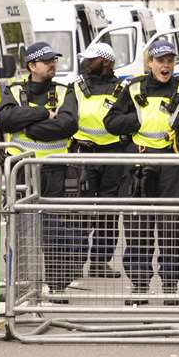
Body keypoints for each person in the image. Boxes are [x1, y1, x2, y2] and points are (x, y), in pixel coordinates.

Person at [104, 36, 179, 306]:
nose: (166, 66)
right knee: (138, 226)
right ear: (150, 62)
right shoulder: (133, 88)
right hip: (138, 165)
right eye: (160, 60)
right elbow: (111, 122)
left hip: (172, 165)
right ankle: (139, 285)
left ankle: (170, 284)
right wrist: (136, 120)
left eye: (170, 61)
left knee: (171, 227)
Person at [0, 42, 81, 301]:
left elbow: (68, 125)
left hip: (54, 170)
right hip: (21, 170)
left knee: (55, 229)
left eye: (54, 60)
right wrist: (44, 113)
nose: (53, 64)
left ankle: (56, 286)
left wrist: (31, 127)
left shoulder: (65, 90)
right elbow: (6, 119)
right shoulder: (13, 89)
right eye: (47, 61)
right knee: (19, 229)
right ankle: (20, 284)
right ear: (32, 66)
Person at [70, 42, 128, 279]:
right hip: (83, 153)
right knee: (80, 210)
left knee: (108, 210)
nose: (86, 63)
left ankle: (99, 261)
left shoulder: (123, 88)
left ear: (105, 62)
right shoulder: (76, 86)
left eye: (91, 59)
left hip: (113, 153)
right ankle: (74, 261)